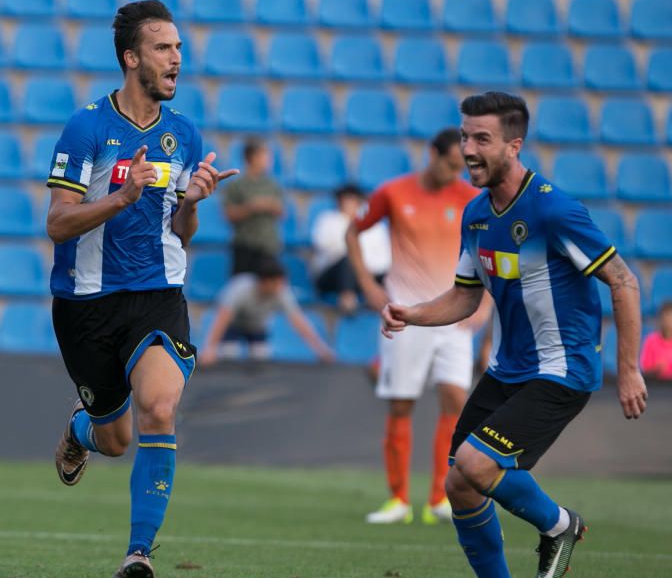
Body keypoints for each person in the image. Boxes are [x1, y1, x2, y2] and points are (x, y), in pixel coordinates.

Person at [381, 91, 647, 578]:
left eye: (482, 139)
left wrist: (631, 368)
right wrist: (411, 313)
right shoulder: (477, 215)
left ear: (513, 145)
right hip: (508, 371)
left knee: (478, 465)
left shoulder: (553, 209)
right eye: (464, 137)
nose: (468, 149)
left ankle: (559, 524)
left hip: (562, 370)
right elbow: (464, 297)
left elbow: (622, 280)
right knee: (459, 483)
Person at [48, 0, 238, 578]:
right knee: (115, 438)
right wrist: (121, 198)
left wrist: (192, 203)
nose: (177, 58)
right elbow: (58, 223)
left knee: (158, 407)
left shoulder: (183, 135)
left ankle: (139, 554)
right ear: (132, 59)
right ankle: (83, 430)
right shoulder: (86, 128)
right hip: (87, 305)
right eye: (164, 48)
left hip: (158, 294)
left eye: (179, 47)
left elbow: (182, 233)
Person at [346, 128, 490, 526]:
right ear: (432, 155)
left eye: (460, 167)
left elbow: (492, 252)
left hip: (453, 317)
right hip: (406, 316)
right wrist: (367, 286)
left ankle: (441, 497)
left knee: (456, 400)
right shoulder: (394, 193)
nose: (455, 173)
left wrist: (486, 304)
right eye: (450, 164)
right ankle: (398, 499)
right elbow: (353, 231)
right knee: (401, 403)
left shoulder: (469, 198)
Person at [199, 257, 335, 365]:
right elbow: (222, 318)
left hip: (257, 328)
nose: (279, 286)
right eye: (275, 282)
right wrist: (209, 348)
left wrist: (321, 350)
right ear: (262, 282)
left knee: (261, 357)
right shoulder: (240, 288)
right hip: (233, 327)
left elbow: (299, 322)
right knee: (229, 354)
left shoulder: (282, 291)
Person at [311, 184, 390, 314]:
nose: (347, 204)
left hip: (367, 275)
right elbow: (323, 246)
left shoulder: (375, 226)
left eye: (351, 200)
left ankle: (380, 300)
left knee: (391, 273)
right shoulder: (328, 220)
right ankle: (347, 299)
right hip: (332, 277)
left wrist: (365, 269)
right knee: (349, 260)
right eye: (344, 200)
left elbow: (385, 257)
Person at [223, 138, 284, 275]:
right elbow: (229, 214)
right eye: (264, 155)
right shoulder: (237, 185)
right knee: (241, 286)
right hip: (245, 246)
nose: (268, 160)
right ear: (251, 157)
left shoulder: (272, 184)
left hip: (268, 245)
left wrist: (269, 205)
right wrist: (251, 207)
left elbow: (282, 211)